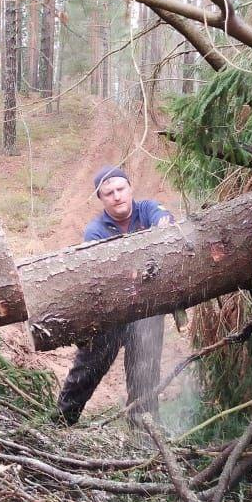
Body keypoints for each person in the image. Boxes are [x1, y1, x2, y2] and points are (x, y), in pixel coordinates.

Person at [56, 165, 173, 426]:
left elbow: (165, 221)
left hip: (147, 313)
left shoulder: (148, 210)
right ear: (101, 199)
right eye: (109, 193)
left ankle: (144, 436)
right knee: (85, 374)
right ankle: (60, 424)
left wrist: (163, 228)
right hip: (110, 318)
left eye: (121, 189)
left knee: (145, 377)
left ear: (130, 189)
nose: (117, 196)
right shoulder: (95, 232)